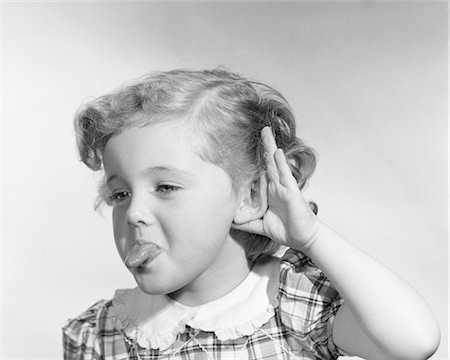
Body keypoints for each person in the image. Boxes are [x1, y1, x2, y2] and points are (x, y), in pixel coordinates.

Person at [63, 68, 440, 360]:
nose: (134, 213)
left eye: (165, 187)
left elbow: (414, 342)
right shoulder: (99, 332)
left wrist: (310, 237)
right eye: (120, 193)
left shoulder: (293, 304)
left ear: (250, 196)